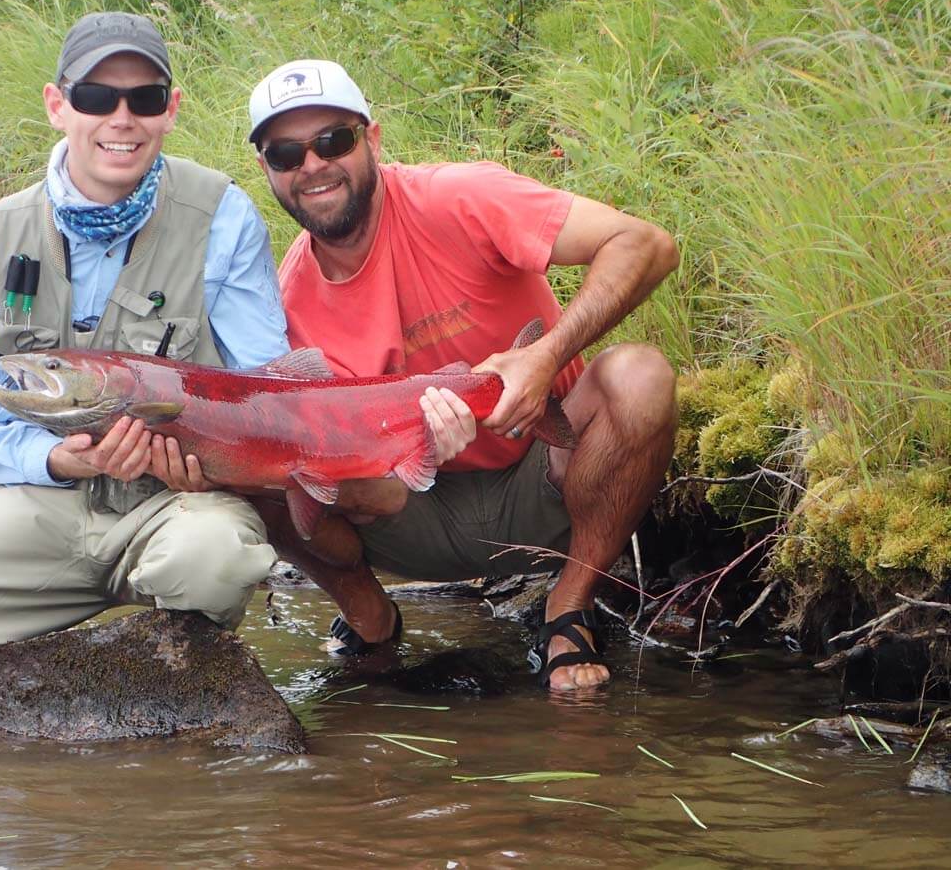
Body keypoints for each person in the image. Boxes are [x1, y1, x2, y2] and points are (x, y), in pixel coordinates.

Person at [0, 12, 290, 677]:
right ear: (57, 106)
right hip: (45, 506)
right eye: (97, 97)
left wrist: (209, 464)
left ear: (170, 111)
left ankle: (166, 648)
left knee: (215, 564)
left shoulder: (223, 215)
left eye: (144, 98)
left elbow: (268, 393)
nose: (121, 118)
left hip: (179, 503)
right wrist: (65, 460)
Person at [246, 59, 680, 691]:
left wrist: (544, 357)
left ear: (372, 138)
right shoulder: (286, 304)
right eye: (286, 153)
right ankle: (370, 619)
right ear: (268, 171)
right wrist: (403, 454)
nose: (311, 165)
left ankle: (569, 606)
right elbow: (352, 484)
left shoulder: (457, 197)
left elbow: (646, 245)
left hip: (549, 470)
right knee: (257, 462)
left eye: (332, 140)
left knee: (641, 375)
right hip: (414, 516)